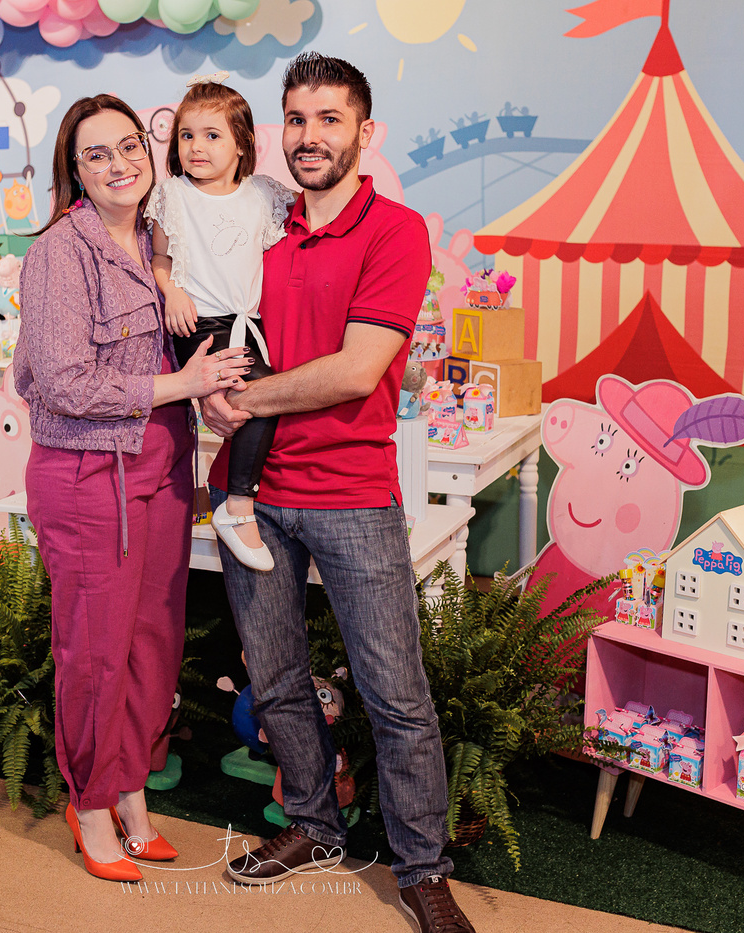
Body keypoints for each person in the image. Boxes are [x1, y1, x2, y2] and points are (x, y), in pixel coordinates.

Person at [201, 54, 477, 933]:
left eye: (329, 118)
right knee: (277, 676)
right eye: (296, 118)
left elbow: (359, 370)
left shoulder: (395, 230)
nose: (309, 135)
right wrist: (207, 388)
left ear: (365, 132)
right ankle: (315, 825)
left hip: (352, 494)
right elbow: (215, 326)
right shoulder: (259, 225)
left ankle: (421, 868)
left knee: (395, 692)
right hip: (249, 497)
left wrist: (249, 400)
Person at [16, 93, 251, 883]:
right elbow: (62, 381)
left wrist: (207, 395)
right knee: (95, 650)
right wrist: (182, 384)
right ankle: (89, 803)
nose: (119, 164)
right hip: (90, 477)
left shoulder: (160, 237)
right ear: (74, 170)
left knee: (153, 643)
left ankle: (131, 790)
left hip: (165, 469)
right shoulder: (61, 252)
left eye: (129, 147)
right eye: (97, 154)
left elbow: (191, 344)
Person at [144, 73, 294, 571]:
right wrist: (173, 291)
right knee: (260, 394)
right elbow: (160, 258)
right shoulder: (173, 195)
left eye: (212, 135)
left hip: (247, 324)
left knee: (265, 395)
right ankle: (239, 504)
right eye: (187, 135)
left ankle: (236, 497)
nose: (196, 147)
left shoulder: (262, 195)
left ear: (242, 143)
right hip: (201, 324)